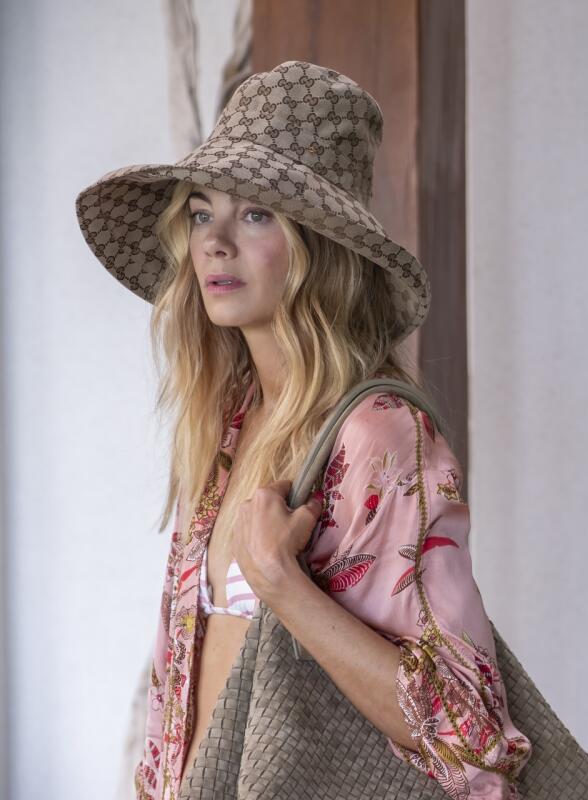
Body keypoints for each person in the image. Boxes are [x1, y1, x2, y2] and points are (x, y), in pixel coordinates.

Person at [75, 61, 531, 800]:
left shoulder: (378, 438)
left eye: (255, 214)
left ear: (317, 245)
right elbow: (179, 695)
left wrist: (284, 586)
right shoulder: (226, 426)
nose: (215, 241)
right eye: (200, 211)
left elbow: (466, 723)